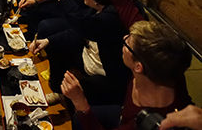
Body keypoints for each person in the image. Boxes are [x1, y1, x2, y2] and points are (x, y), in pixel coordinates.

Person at [62, 21, 193, 130]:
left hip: (131, 121)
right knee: (77, 119)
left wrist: (79, 102)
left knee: (81, 116)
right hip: (123, 113)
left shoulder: (146, 122)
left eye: (127, 44)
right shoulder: (167, 65)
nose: (124, 38)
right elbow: (125, 4)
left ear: (138, 66)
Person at [30, 0, 130, 105]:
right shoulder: (98, 7)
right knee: (56, 45)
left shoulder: (112, 15)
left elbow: (84, 25)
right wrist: (48, 41)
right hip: (87, 57)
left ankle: (74, 106)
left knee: (77, 93)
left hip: (103, 73)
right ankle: (59, 92)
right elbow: (78, 31)